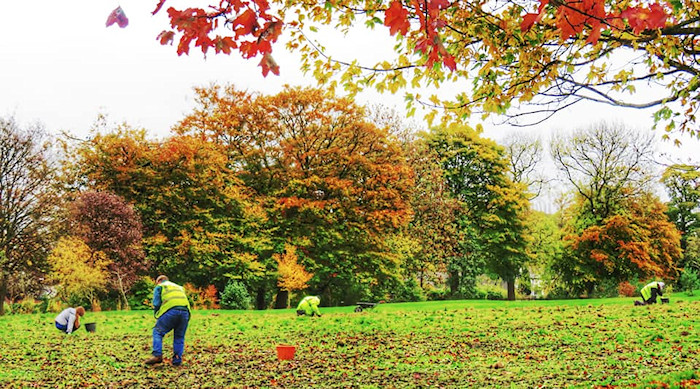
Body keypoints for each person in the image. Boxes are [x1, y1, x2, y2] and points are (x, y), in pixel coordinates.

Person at [144, 275, 191, 366]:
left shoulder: (160, 287)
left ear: (158, 281)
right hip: (185, 312)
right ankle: (177, 360)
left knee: (157, 331)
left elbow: (156, 303)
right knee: (179, 337)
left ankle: (157, 355)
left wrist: (157, 314)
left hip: (171, 311)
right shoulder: (179, 287)